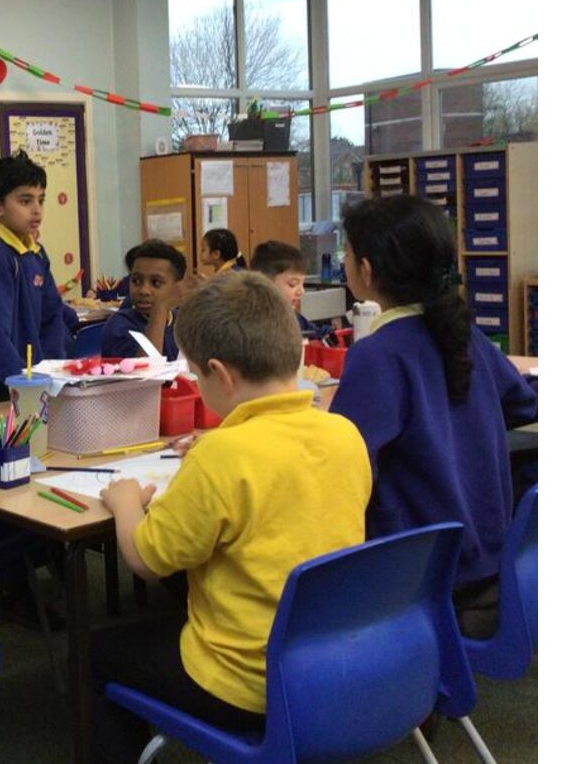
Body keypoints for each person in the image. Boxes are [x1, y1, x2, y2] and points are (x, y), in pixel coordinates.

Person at [94, 272, 371, 763]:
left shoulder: (222, 455)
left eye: (196, 376)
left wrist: (125, 502)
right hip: (329, 660)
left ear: (220, 375)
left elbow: (144, 559)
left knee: (100, 651)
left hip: (245, 682)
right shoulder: (345, 434)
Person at [328, 195, 537, 638]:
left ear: (366, 269)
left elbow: (342, 460)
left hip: (421, 576)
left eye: (345, 254)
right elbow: (524, 402)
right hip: (489, 559)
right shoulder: (465, 337)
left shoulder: (377, 355)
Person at [0, 152, 71, 405]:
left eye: (41, 200)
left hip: (36, 383)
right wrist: (22, 384)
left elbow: (52, 316)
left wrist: (52, 370)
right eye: (25, 201)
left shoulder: (37, 254)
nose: (37, 210)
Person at [100, 240, 185, 360]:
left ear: (178, 287)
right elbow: (147, 368)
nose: (144, 291)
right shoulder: (119, 325)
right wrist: (160, 307)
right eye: (136, 281)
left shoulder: (182, 322)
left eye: (156, 283)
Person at [248, 240, 334, 341]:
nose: (301, 291)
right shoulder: (249, 326)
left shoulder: (296, 320)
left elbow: (319, 333)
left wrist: (332, 333)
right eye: (292, 284)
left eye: (302, 284)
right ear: (265, 283)